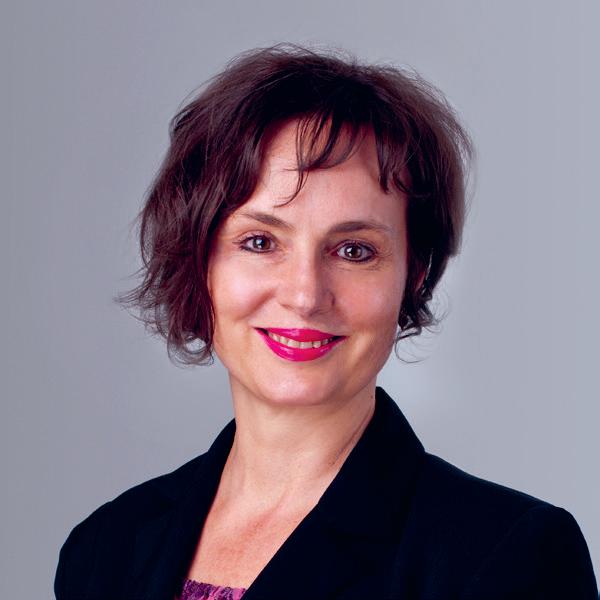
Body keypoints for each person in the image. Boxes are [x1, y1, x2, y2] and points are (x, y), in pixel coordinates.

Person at [54, 44, 598, 600]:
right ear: (199, 262)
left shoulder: (511, 557)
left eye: (354, 251)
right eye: (260, 242)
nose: (305, 295)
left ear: (413, 275)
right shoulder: (105, 547)